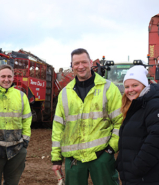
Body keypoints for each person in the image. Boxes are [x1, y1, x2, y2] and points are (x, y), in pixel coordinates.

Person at [51, 48, 123, 185]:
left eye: (84, 62)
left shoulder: (108, 88)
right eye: (76, 63)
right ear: (72, 66)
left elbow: (120, 121)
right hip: (74, 159)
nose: (81, 66)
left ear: (90, 63)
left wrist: (111, 149)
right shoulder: (64, 93)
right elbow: (58, 127)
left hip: (101, 156)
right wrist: (56, 158)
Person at [0, 64, 32, 185]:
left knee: (12, 183)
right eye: (3, 76)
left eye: (9, 76)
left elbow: (27, 120)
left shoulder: (21, 96)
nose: (6, 79)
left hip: (17, 149)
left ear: (13, 77)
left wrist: (25, 141)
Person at [116, 66, 159, 185]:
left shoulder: (153, 105)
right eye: (127, 87)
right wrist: (121, 163)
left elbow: (155, 140)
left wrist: (137, 167)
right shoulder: (135, 106)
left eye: (135, 85)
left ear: (144, 85)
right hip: (134, 176)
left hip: (146, 177)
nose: (130, 90)